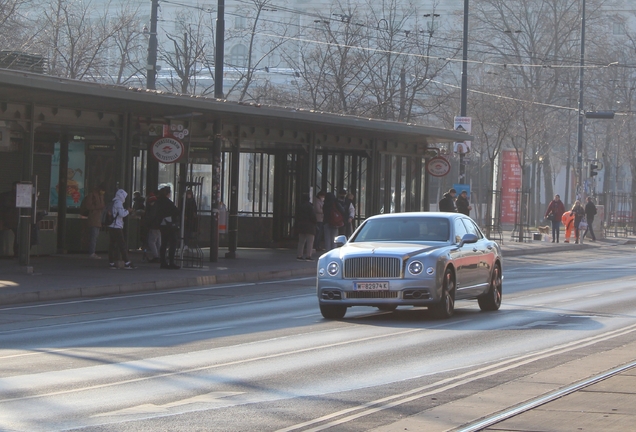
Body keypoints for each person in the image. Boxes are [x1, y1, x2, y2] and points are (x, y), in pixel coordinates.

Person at [107, 188, 135, 270]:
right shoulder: (118, 202)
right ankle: (127, 262)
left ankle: (111, 262)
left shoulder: (113, 201)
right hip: (117, 226)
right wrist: (128, 211)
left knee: (112, 244)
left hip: (111, 226)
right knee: (122, 244)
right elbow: (122, 214)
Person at [156, 186, 180, 269]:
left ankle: (163, 262)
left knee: (164, 243)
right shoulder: (169, 203)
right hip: (169, 225)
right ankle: (171, 262)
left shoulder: (158, 202)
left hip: (162, 224)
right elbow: (176, 211)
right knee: (173, 242)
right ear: (168, 194)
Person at [85, 183, 105, 259]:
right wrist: (99, 207)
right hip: (94, 217)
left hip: (99, 217)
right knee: (93, 236)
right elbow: (88, 206)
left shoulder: (101, 196)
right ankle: (91, 252)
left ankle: (92, 251)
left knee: (95, 236)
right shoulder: (92, 195)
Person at [295, 192, 317, 261]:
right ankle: (308, 256)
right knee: (310, 242)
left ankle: (299, 255)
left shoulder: (300, 206)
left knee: (301, 242)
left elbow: (297, 216)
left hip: (301, 226)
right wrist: (315, 223)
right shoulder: (310, 206)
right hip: (310, 226)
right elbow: (313, 216)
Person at [0, 181, 19, 256]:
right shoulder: (10, 197)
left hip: (8, 219)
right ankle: (16, 253)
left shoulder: (6, 196)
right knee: (17, 236)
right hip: (12, 219)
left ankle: (15, 253)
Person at [144, 192, 161, 263]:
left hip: (154, 226)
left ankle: (156, 256)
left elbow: (151, 217)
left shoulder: (153, 208)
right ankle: (159, 255)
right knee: (158, 242)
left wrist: (147, 223)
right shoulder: (159, 206)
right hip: (159, 226)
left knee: (151, 241)